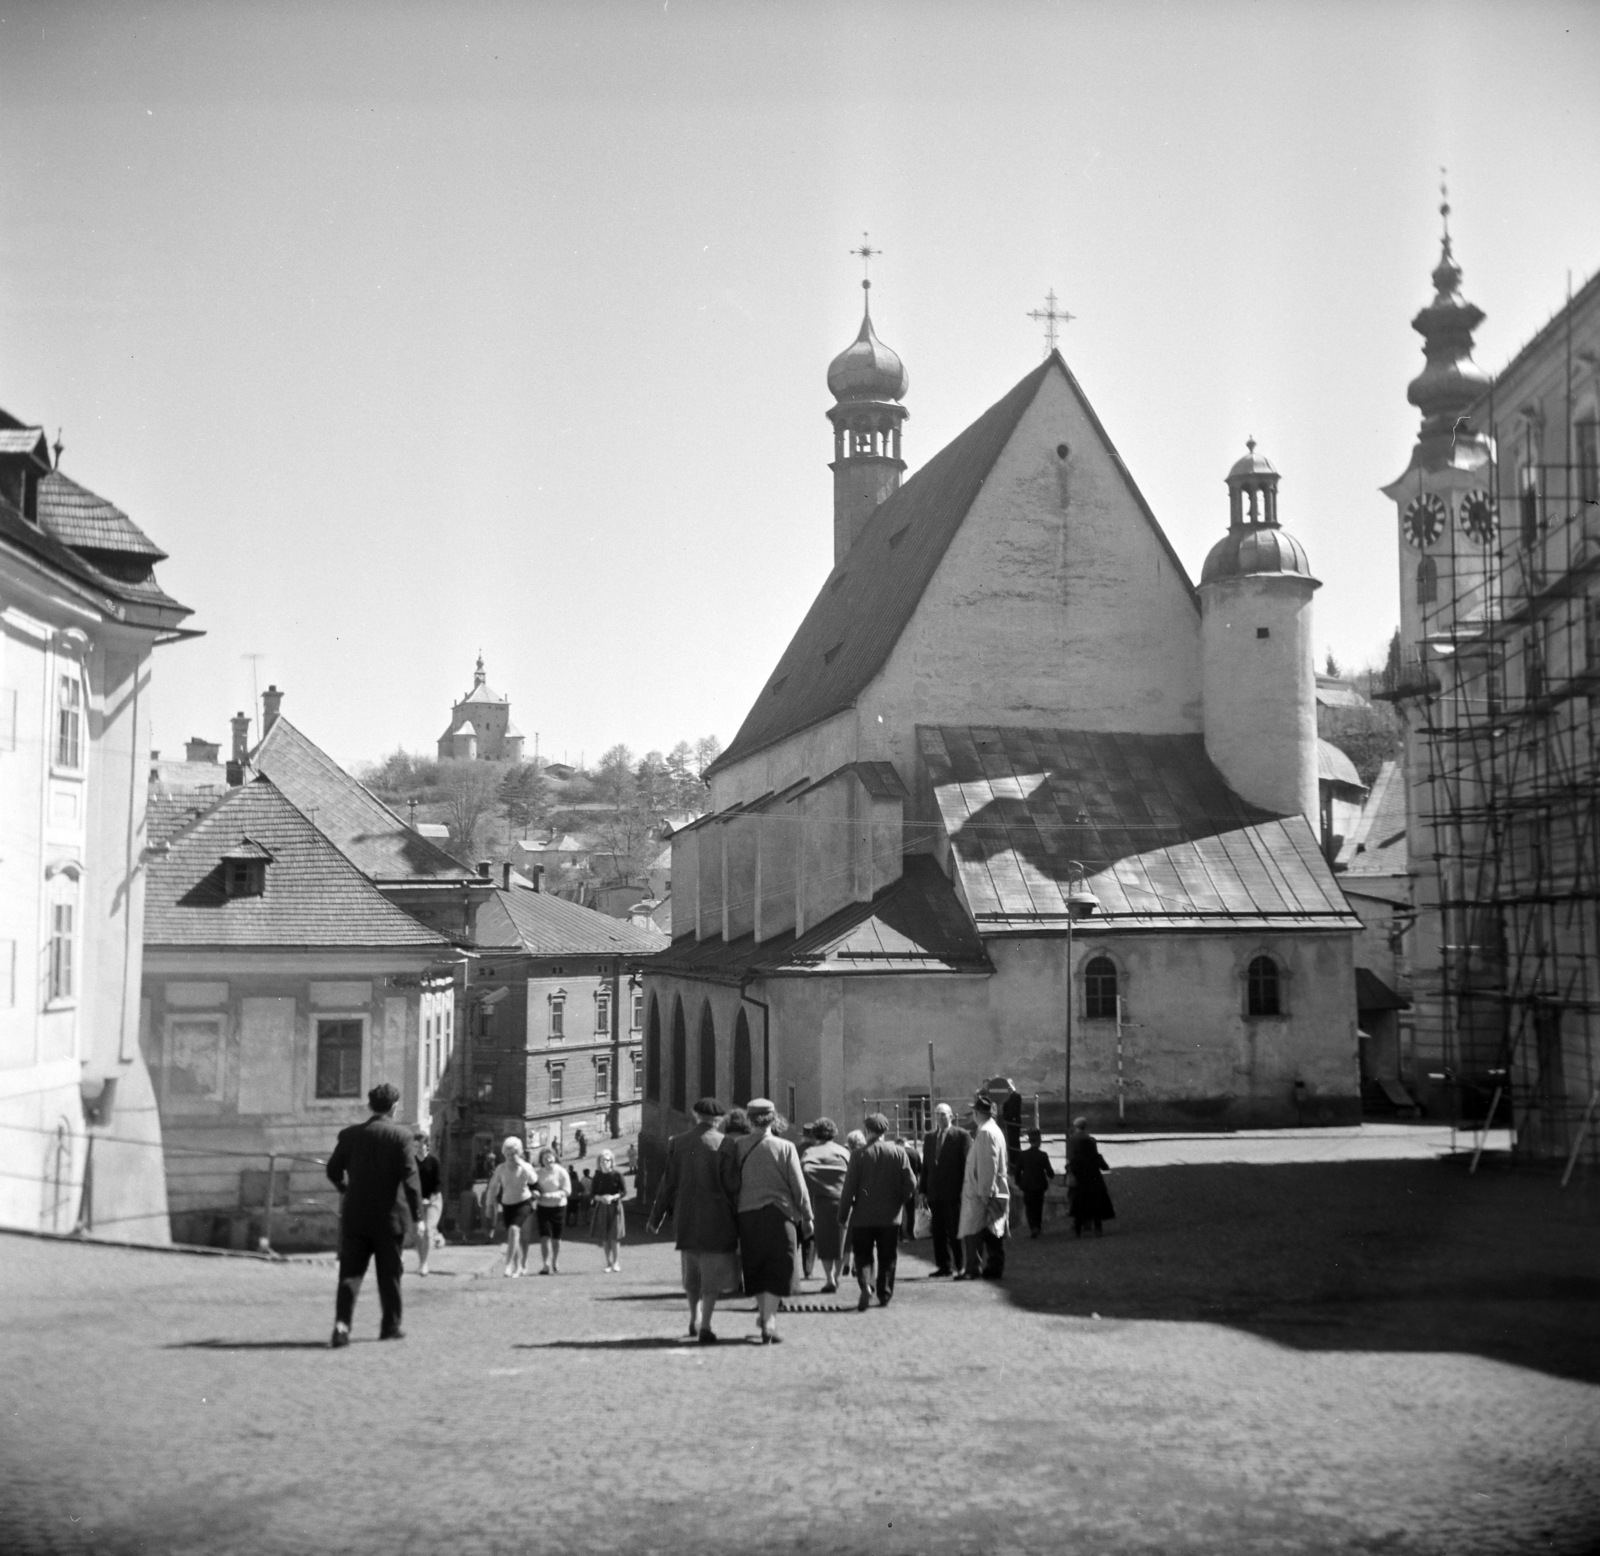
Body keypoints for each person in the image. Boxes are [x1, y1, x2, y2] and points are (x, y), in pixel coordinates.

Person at [325, 1082, 421, 1347]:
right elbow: (411, 1179)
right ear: (394, 1107)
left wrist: (346, 1189)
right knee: (389, 1274)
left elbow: (333, 1170)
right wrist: (419, 1216)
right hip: (390, 1219)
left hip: (356, 1216)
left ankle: (342, 1327)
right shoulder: (401, 1136)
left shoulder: (349, 1135)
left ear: (370, 1106)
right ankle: (390, 1326)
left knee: (350, 1274)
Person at [648, 1097, 740, 1344]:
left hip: (686, 1216)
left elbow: (667, 1184)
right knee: (711, 1275)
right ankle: (706, 1325)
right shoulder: (727, 1144)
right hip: (717, 1218)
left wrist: (656, 1218)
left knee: (691, 1272)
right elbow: (733, 1186)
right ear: (719, 1119)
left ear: (695, 1115)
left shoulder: (677, 1143)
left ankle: (694, 1316)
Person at [725, 1097, 813, 1344]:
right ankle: (769, 1320)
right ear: (773, 1119)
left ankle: (765, 1316)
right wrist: (808, 1216)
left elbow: (731, 1183)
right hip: (781, 1215)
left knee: (756, 1268)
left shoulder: (738, 1146)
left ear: (749, 1120)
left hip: (748, 1215)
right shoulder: (786, 1148)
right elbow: (799, 1187)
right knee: (778, 1269)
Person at [836, 1113, 918, 1312]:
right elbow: (911, 1183)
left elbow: (849, 1188)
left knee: (863, 1255)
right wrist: (900, 1199)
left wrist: (843, 1214)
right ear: (885, 1131)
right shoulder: (898, 1152)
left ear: (868, 1131)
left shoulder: (858, 1155)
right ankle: (885, 1293)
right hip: (890, 1217)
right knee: (888, 1256)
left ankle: (866, 1285)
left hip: (863, 1216)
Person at [957, 1092, 1010, 1282]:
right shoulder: (992, 1130)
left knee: (975, 1231)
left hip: (983, 1193)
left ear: (978, 1113)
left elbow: (988, 1165)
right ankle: (989, 1267)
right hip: (988, 1190)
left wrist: (985, 1193)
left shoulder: (987, 1132)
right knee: (990, 1232)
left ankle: (975, 1268)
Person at [799, 1119, 851, 1293]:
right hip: (843, 1200)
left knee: (825, 1243)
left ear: (815, 1134)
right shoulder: (844, 1152)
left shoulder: (810, 1153)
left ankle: (829, 1278)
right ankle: (836, 1276)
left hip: (821, 1201)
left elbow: (803, 1175)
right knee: (841, 1242)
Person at [921, 1103, 970, 1277]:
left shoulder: (961, 1136)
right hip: (935, 1193)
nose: (940, 1118)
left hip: (954, 1192)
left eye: (943, 1114)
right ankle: (944, 1266)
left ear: (951, 1116)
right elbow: (926, 1166)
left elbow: (966, 1165)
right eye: (937, 1115)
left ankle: (961, 1265)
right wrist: (923, 1191)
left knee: (955, 1229)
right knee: (938, 1232)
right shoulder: (929, 1138)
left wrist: (966, 1190)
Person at [483, 1137, 538, 1277]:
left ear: (518, 1153)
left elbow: (533, 1179)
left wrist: (522, 1163)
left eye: (513, 1153)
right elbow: (493, 1187)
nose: (510, 1157)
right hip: (508, 1205)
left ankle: (511, 1265)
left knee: (518, 1233)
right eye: (507, 1154)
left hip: (523, 1203)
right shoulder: (501, 1168)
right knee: (513, 1237)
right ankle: (517, 1265)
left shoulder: (525, 1166)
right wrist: (489, 1204)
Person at [1066, 1117, 1116, 1238]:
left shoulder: (1072, 1141)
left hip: (1079, 1177)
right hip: (1093, 1177)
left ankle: (1079, 1228)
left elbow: (1070, 1159)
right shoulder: (1091, 1141)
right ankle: (1097, 1228)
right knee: (1096, 1203)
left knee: (1078, 1203)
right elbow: (1098, 1159)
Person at [531, 1146, 572, 1273]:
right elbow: (532, 1187)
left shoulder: (561, 1172)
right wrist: (534, 1193)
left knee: (556, 1238)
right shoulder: (537, 1174)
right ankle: (546, 1264)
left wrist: (552, 1195)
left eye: (550, 1157)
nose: (548, 1159)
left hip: (559, 1207)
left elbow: (567, 1191)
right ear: (541, 1161)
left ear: (555, 1158)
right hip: (543, 1208)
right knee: (544, 1237)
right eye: (545, 1158)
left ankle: (555, 1260)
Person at [589, 1148, 627, 1272]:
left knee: (614, 1236)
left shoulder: (617, 1175)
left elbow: (623, 1192)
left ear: (611, 1161)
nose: (605, 1162)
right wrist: (600, 1198)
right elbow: (592, 1194)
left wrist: (613, 1197)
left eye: (607, 1160)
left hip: (615, 1207)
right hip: (602, 1207)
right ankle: (608, 1263)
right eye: (602, 1160)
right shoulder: (597, 1177)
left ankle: (616, 1263)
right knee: (605, 1237)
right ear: (599, 1162)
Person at [1014, 1128, 1056, 1238]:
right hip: (1040, 1184)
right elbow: (1049, 1171)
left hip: (1027, 1184)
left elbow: (1017, 1170)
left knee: (1029, 1207)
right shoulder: (1043, 1155)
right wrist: (1051, 1175)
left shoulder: (1023, 1155)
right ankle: (1037, 1226)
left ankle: (1033, 1227)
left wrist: (1018, 1182)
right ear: (1039, 1141)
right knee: (1038, 1206)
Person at [412, 1130, 443, 1275]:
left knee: (427, 1230)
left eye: (421, 1146)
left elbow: (437, 1184)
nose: (418, 1149)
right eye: (416, 1146)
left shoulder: (433, 1161)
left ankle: (424, 1264)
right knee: (418, 1231)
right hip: (417, 1203)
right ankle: (421, 1260)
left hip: (432, 1201)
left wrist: (429, 1198)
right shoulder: (411, 1163)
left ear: (427, 1146)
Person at [897, 1134, 924, 1240]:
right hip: (912, 1185)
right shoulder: (915, 1152)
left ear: (900, 1143)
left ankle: (900, 1234)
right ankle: (910, 1232)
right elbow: (920, 1170)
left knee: (898, 1210)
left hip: (899, 1184)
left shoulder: (898, 1152)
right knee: (910, 1210)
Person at [1000, 1088, 1024, 1157]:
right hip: (1008, 1122)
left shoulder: (1016, 1096)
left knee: (1015, 1141)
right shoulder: (1006, 1096)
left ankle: (1016, 1157)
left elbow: (1016, 1110)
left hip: (1014, 1122)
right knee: (1010, 1141)